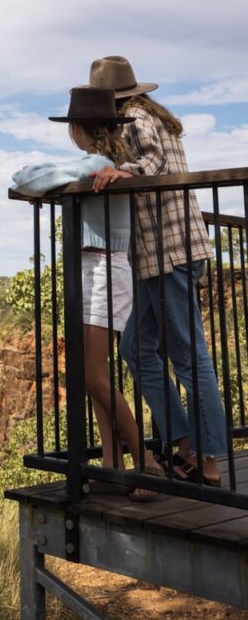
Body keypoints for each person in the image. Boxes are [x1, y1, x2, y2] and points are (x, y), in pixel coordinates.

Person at [12, 86, 161, 500]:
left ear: (77, 129)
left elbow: (28, 178)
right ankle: (113, 464)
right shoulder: (108, 163)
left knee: (93, 376)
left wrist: (52, 183)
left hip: (103, 270)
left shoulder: (95, 164)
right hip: (98, 268)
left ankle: (144, 462)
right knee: (92, 374)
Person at [88, 55, 227, 486]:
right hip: (160, 255)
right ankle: (183, 441)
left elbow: (151, 162)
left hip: (170, 253)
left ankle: (207, 461)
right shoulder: (152, 115)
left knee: (188, 355)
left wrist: (118, 171)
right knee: (135, 348)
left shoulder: (135, 117)